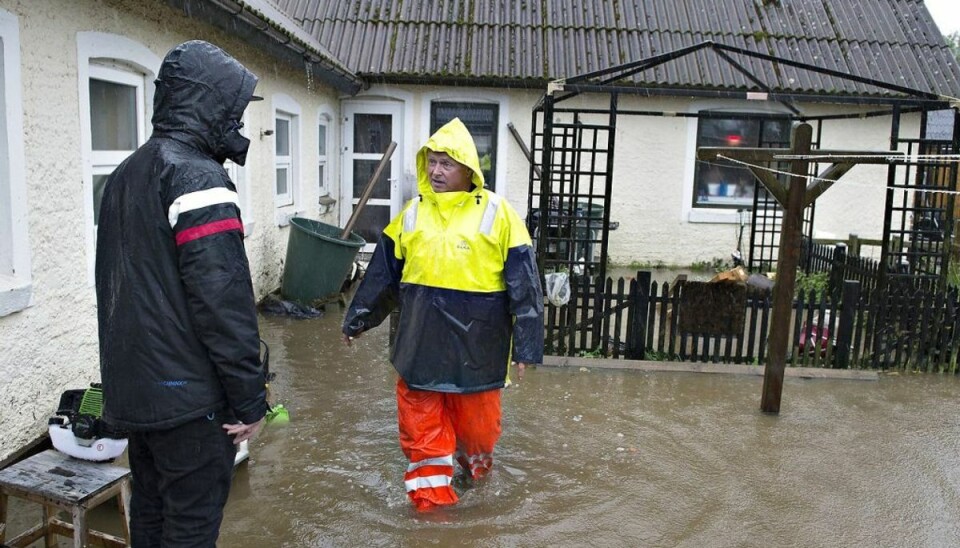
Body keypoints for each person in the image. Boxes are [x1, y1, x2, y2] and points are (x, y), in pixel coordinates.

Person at [95, 40, 266, 546]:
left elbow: (119, 288)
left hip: (135, 396)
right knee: (190, 527)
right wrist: (250, 400)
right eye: (232, 110)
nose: (236, 123)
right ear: (210, 104)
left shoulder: (124, 175)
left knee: (149, 512)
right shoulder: (198, 177)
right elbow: (222, 301)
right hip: (191, 404)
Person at [342, 118, 544, 511]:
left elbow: (526, 287)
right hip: (419, 352)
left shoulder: (500, 214)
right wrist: (358, 320)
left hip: (478, 357)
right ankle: (432, 519)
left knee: (479, 437)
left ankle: (475, 484)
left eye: (445, 164)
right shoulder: (411, 215)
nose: (435, 171)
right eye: (431, 162)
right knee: (425, 443)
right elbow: (383, 276)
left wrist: (526, 347)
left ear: (468, 168)